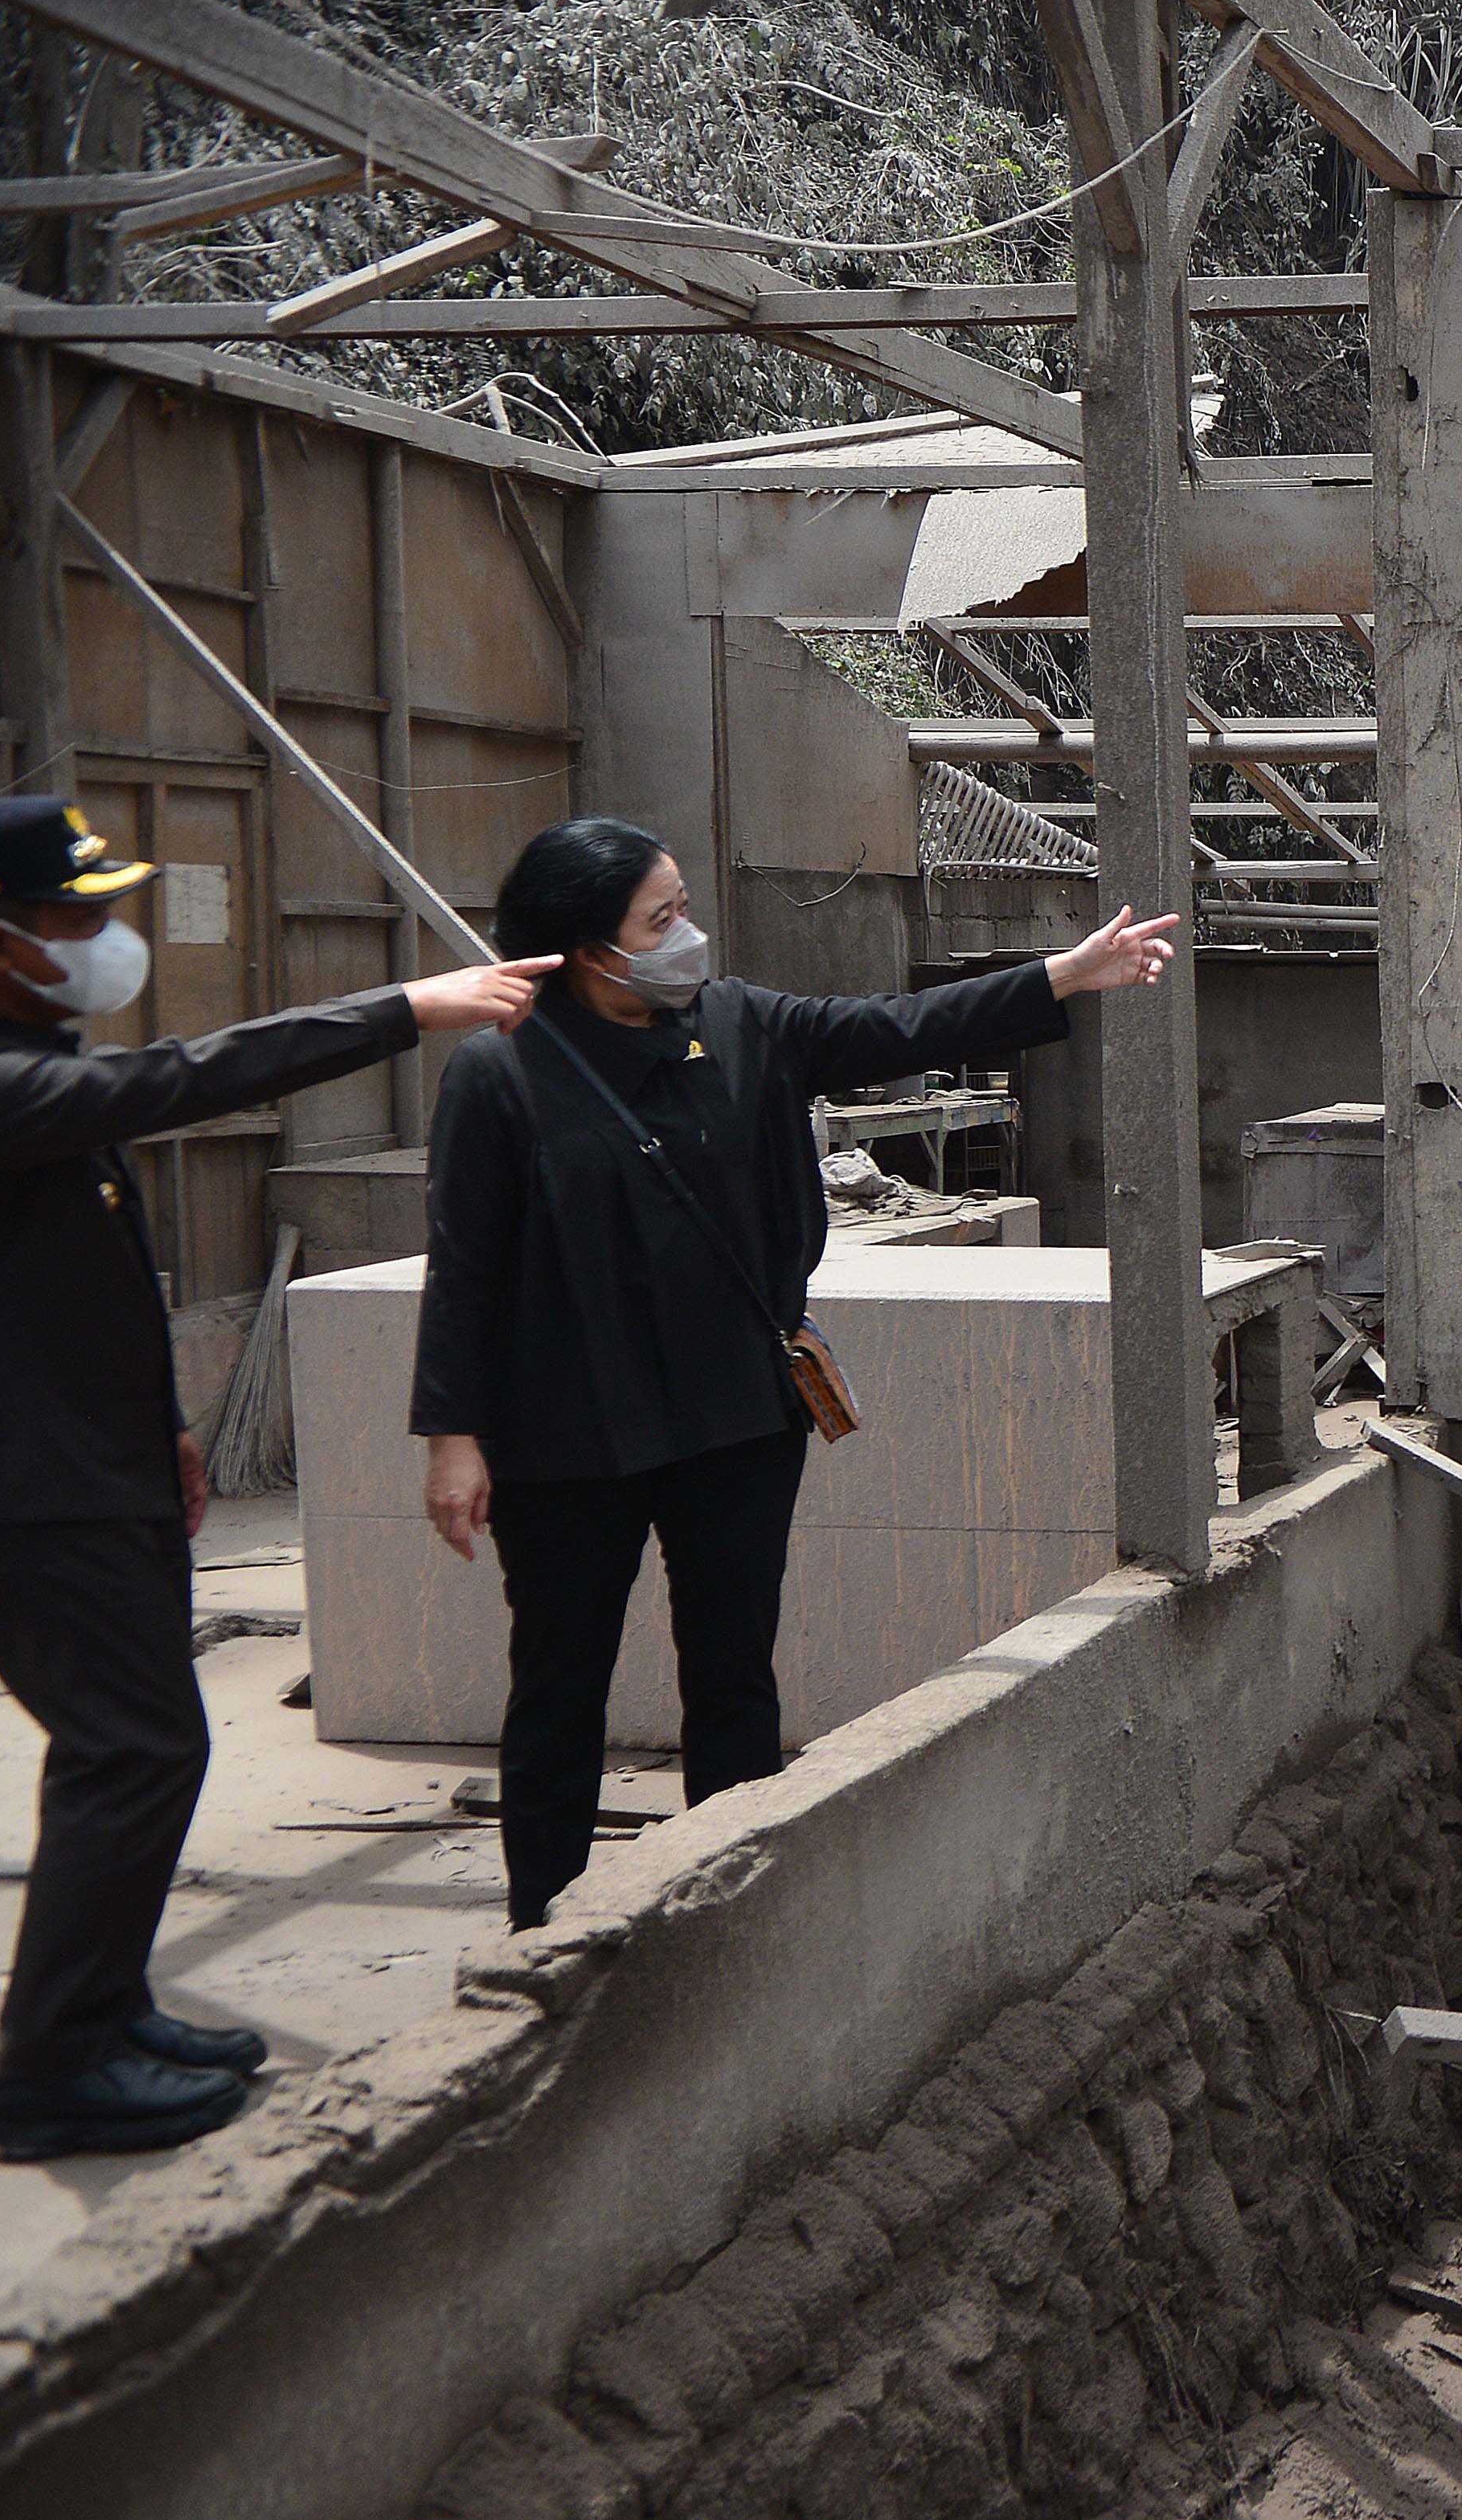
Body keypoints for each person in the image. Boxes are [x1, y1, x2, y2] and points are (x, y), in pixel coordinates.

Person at [0, 794, 559, 2162]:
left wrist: (165, 1425)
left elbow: (83, 1276)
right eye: (80, 916)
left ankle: (108, 2012)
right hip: (24, 1488)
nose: (106, 935)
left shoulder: (14, 1043)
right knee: (133, 1751)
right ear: (0, 940)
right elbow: (173, 1081)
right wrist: (400, 1010)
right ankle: (55, 2071)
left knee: (140, 1748)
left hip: (90, 1462)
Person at [415, 818, 1174, 1928]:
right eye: (662, 918)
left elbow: (899, 1027)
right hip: (568, 1434)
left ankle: (732, 1913)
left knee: (731, 1676)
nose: (691, 934)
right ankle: (544, 1934)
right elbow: (465, 1260)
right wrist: (453, 1434)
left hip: (735, 1418)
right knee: (558, 1688)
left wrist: (1065, 975)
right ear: (590, 948)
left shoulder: (742, 1025)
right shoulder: (501, 1072)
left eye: (684, 906)